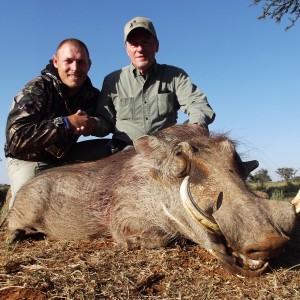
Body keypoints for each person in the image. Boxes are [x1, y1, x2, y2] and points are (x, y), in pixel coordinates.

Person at [5, 38, 110, 209]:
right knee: (30, 211)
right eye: (68, 61)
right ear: (55, 62)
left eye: (81, 62)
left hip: (66, 155)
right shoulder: (36, 89)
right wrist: (66, 123)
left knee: (116, 149)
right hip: (29, 158)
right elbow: (15, 140)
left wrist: (93, 124)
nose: (75, 68)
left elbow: (107, 122)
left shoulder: (92, 94)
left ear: (89, 64)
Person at [94, 16, 216, 152]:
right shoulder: (112, 80)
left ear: (156, 45)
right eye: (134, 43)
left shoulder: (175, 76)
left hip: (166, 151)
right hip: (125, 152)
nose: (140, 48)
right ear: (126, 49)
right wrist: (91, 124)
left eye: (146, 42)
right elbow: (105, 122)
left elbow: (197, 103)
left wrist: (196, 125)